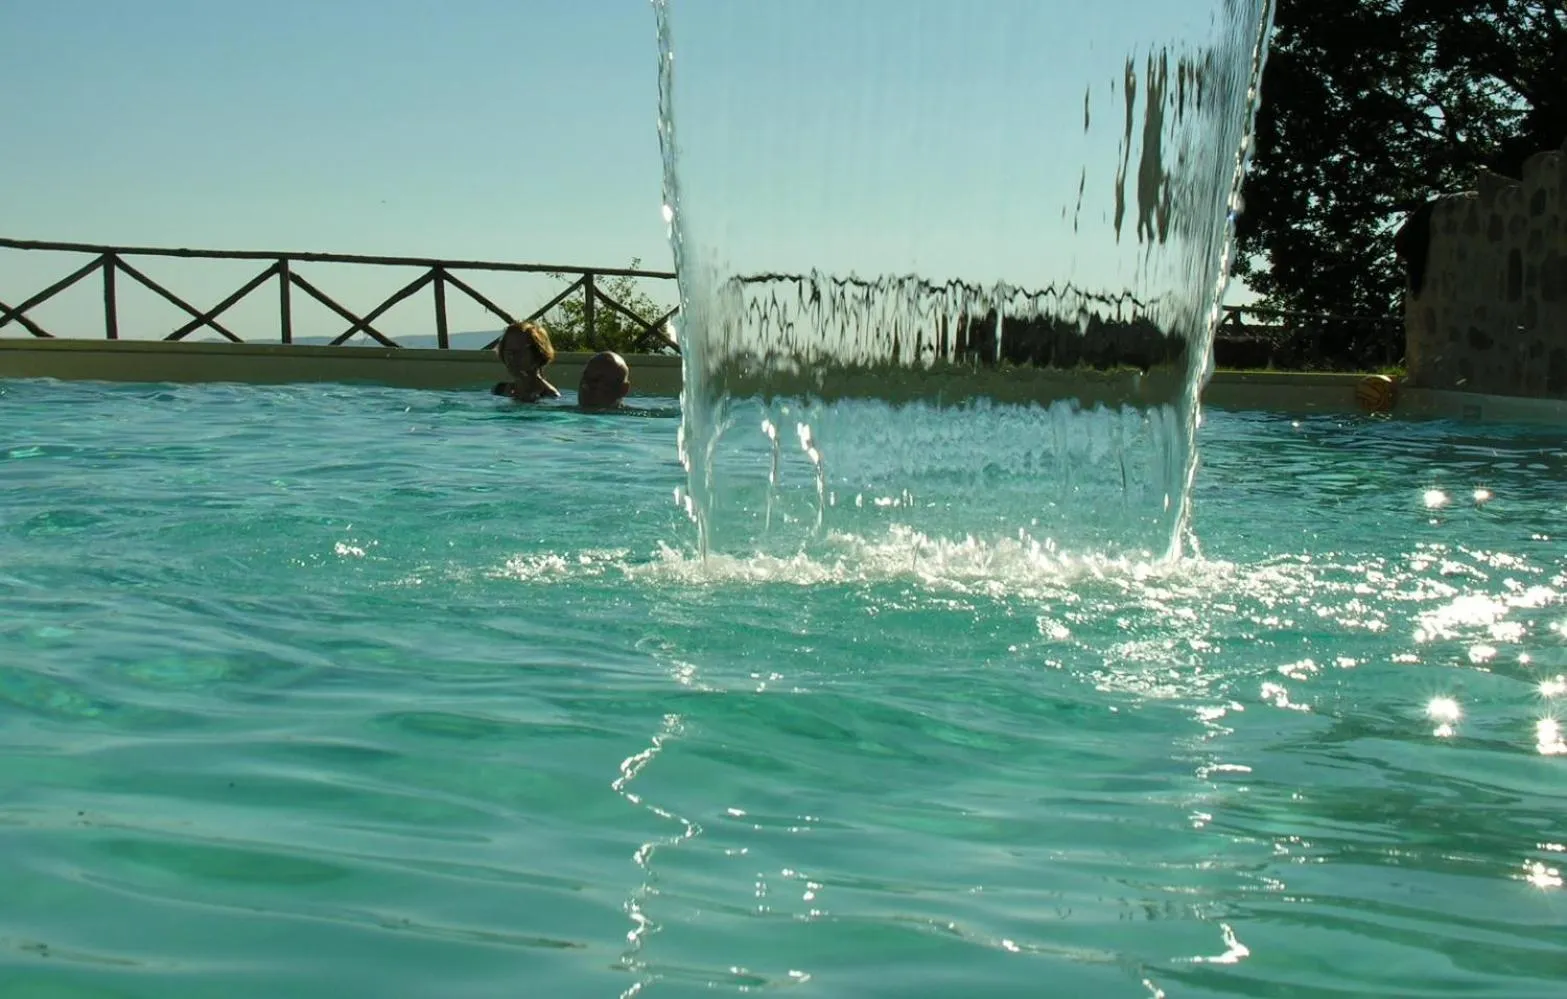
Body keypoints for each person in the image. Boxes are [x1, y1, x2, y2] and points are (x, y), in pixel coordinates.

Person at [491, 321, 560, 402]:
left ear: (538, 354)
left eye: (520, 352)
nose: (512, 357)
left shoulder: (550, 396)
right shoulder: (499, 391)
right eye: (509, 352)